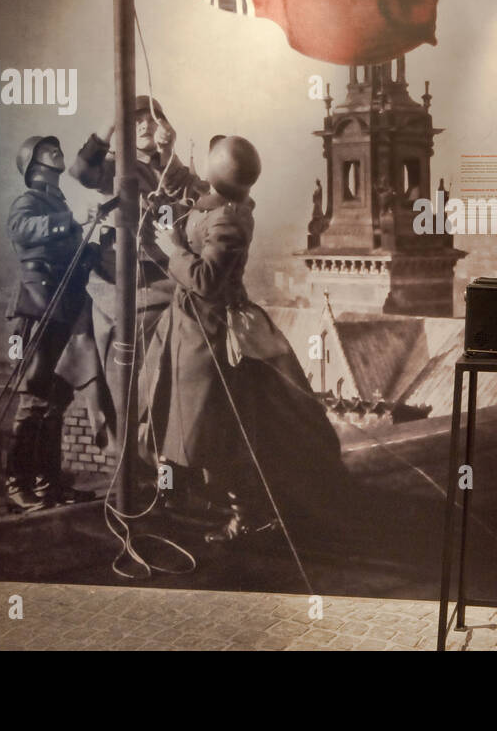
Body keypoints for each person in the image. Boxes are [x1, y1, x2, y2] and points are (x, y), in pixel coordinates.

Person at [145, 135, 350, 543]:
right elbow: (194, 208)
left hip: (210, 337)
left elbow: (206, 280)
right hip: (186, 330)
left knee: (214, 429)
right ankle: (168, 494)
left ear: (218, 173)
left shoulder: (230, 220)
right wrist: (167, 213)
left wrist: (169, 248)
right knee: (168, 412)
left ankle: (247, 514)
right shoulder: (220, 204)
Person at [68, 95, 210, 456]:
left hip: (165, 280)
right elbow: (82, 171)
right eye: (136, 120)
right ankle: (131, 463)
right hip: (121, 285)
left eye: (153, 117)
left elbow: (199, 197)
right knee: (127, 380)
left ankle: (166, 464)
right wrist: (109, 125)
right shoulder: (117, 166)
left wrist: (169, 154)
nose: (146, 124)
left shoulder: (173, 170)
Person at [4, 136, 98, 511]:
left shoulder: (58, 203)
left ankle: (48, 484)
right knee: (33, 399)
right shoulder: (29, 201)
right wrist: (72, 222)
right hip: (36, 306)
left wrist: (95, 239)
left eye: (57, 148)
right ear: (33, 164)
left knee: (55, 400)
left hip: (62, 305)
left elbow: (73, 256)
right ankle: (17, 486)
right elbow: (21, 230)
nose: (56, 151)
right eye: (47, 150)